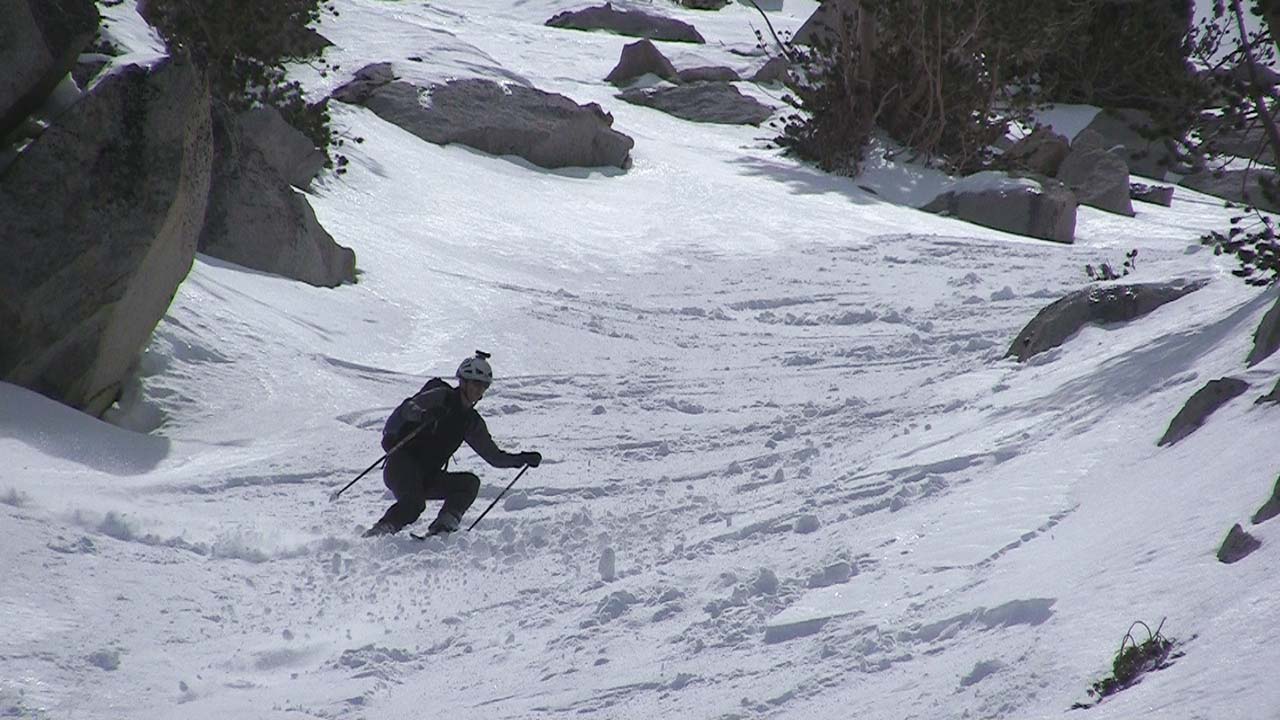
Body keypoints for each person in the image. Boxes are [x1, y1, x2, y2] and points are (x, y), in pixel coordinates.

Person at [363, 351, 542, 537]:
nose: (478, 390)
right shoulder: (441, 397)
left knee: (469, 483)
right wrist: (424, 415)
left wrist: (521, 459)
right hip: (401, 466)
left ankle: (443, 527)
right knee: (414, 505)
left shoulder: (470, 421)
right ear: (463, 382)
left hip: (428, 475)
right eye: (475, 383)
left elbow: (493, 456)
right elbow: (407, 409)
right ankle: (380, 532)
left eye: (483, 386)